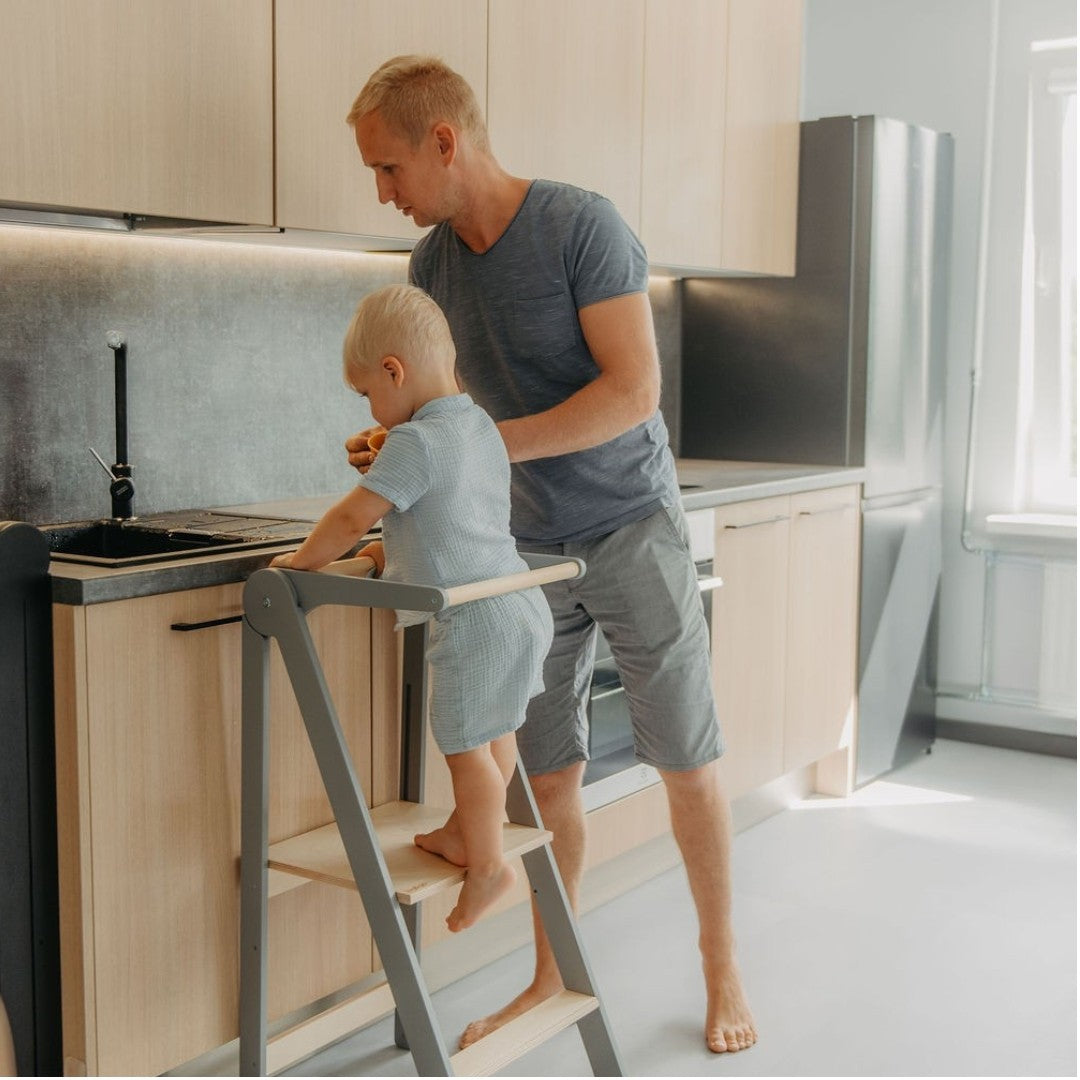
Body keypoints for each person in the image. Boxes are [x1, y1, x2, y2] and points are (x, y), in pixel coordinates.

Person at [343, 56, 757, 1055]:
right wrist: (401, 441)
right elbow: (446, 411)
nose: (384, 193)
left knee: (685, 759)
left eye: (390, 167)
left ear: (446, 142)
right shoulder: (432, 269)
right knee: (545, 777)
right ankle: (548, 977)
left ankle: (722, 967)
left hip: (630, 524)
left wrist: (482, 445)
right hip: (519, 548)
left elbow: (632, 392)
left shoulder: (582, 226)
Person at [270, 282, 554, 933]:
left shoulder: (417, 441)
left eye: (366, 392)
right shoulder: (479, 427)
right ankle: (464, 832)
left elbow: (352, 518)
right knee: (496, 734)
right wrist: (385, 554)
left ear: (393, 371)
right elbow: (449, 521)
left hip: (473, 620)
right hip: (516, 600)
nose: (371, 409)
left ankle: (488, 867)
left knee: (462, 745)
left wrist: (300, 564)